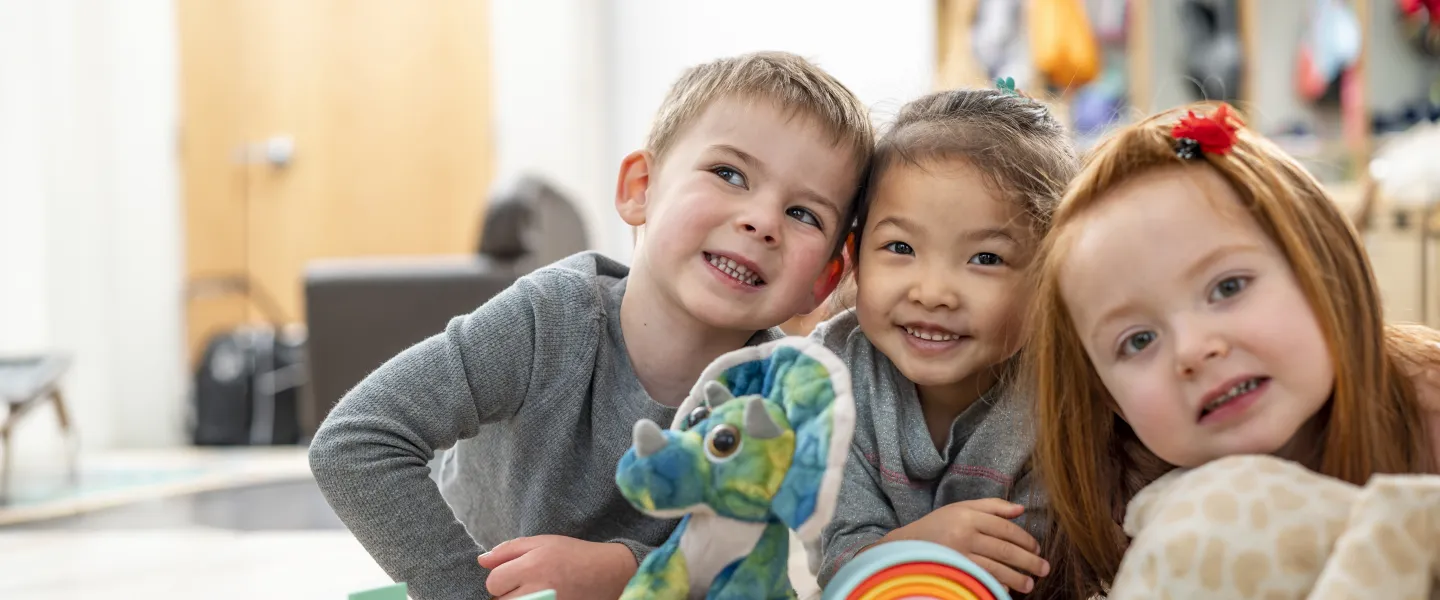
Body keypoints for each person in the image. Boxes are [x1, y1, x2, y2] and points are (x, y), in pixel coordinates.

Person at [309, 51, 874, 600]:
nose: (762, 221)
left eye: (804, 214)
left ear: (823, 280)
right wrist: (463, 591)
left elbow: (764, 556)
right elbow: (355, 440)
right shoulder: (549, 319)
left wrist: (625, 569)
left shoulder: (782, 397)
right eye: (729, 173)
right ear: (639, 189)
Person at [1024, 102, 1440, 599]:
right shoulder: (1138, 514)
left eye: (1227, 288)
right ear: (1108, 397)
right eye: (1138, 340)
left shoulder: (1430, 405)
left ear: (1319, 263)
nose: (1194, 351)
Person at [815, 87, 1079, 596]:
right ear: (855, 255)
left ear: (1050, 275)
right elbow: (839, 566)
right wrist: (924, 547)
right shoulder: (832, 374)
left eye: (985, 258)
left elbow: (1042, 574)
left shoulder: (1062, 388)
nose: (933, 293)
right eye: (900, 247)